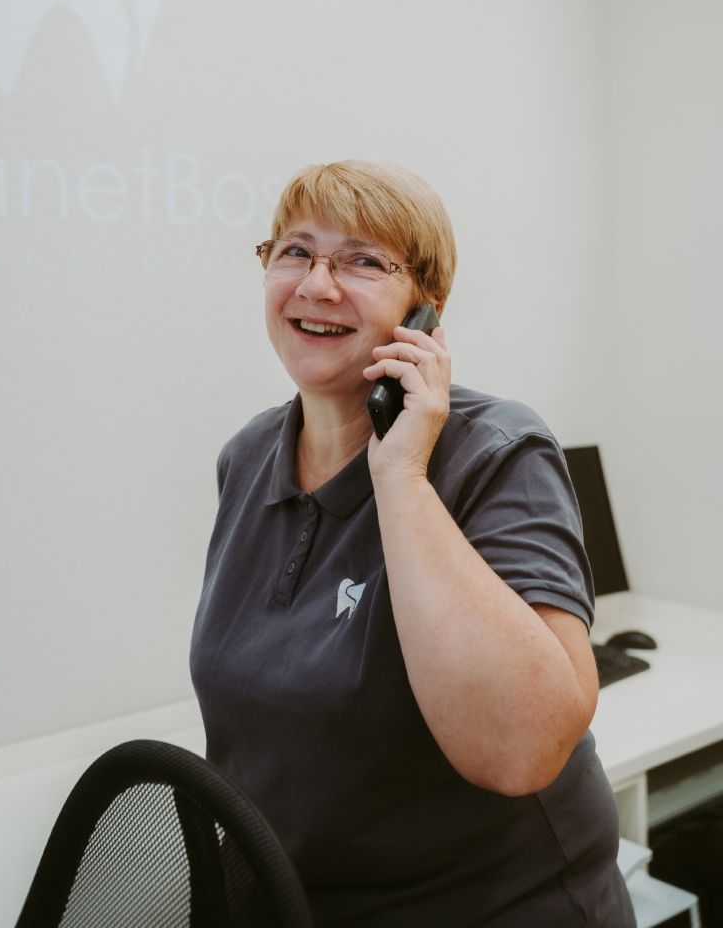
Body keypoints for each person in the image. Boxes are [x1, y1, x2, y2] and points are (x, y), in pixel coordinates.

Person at [190, 160, 635, 926]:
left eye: (363, 261)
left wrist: (401, 473)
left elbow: (524, 749)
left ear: (424, 310)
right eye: (294, 252)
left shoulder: (497, 450)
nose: (317, 284)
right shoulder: (246, 457)